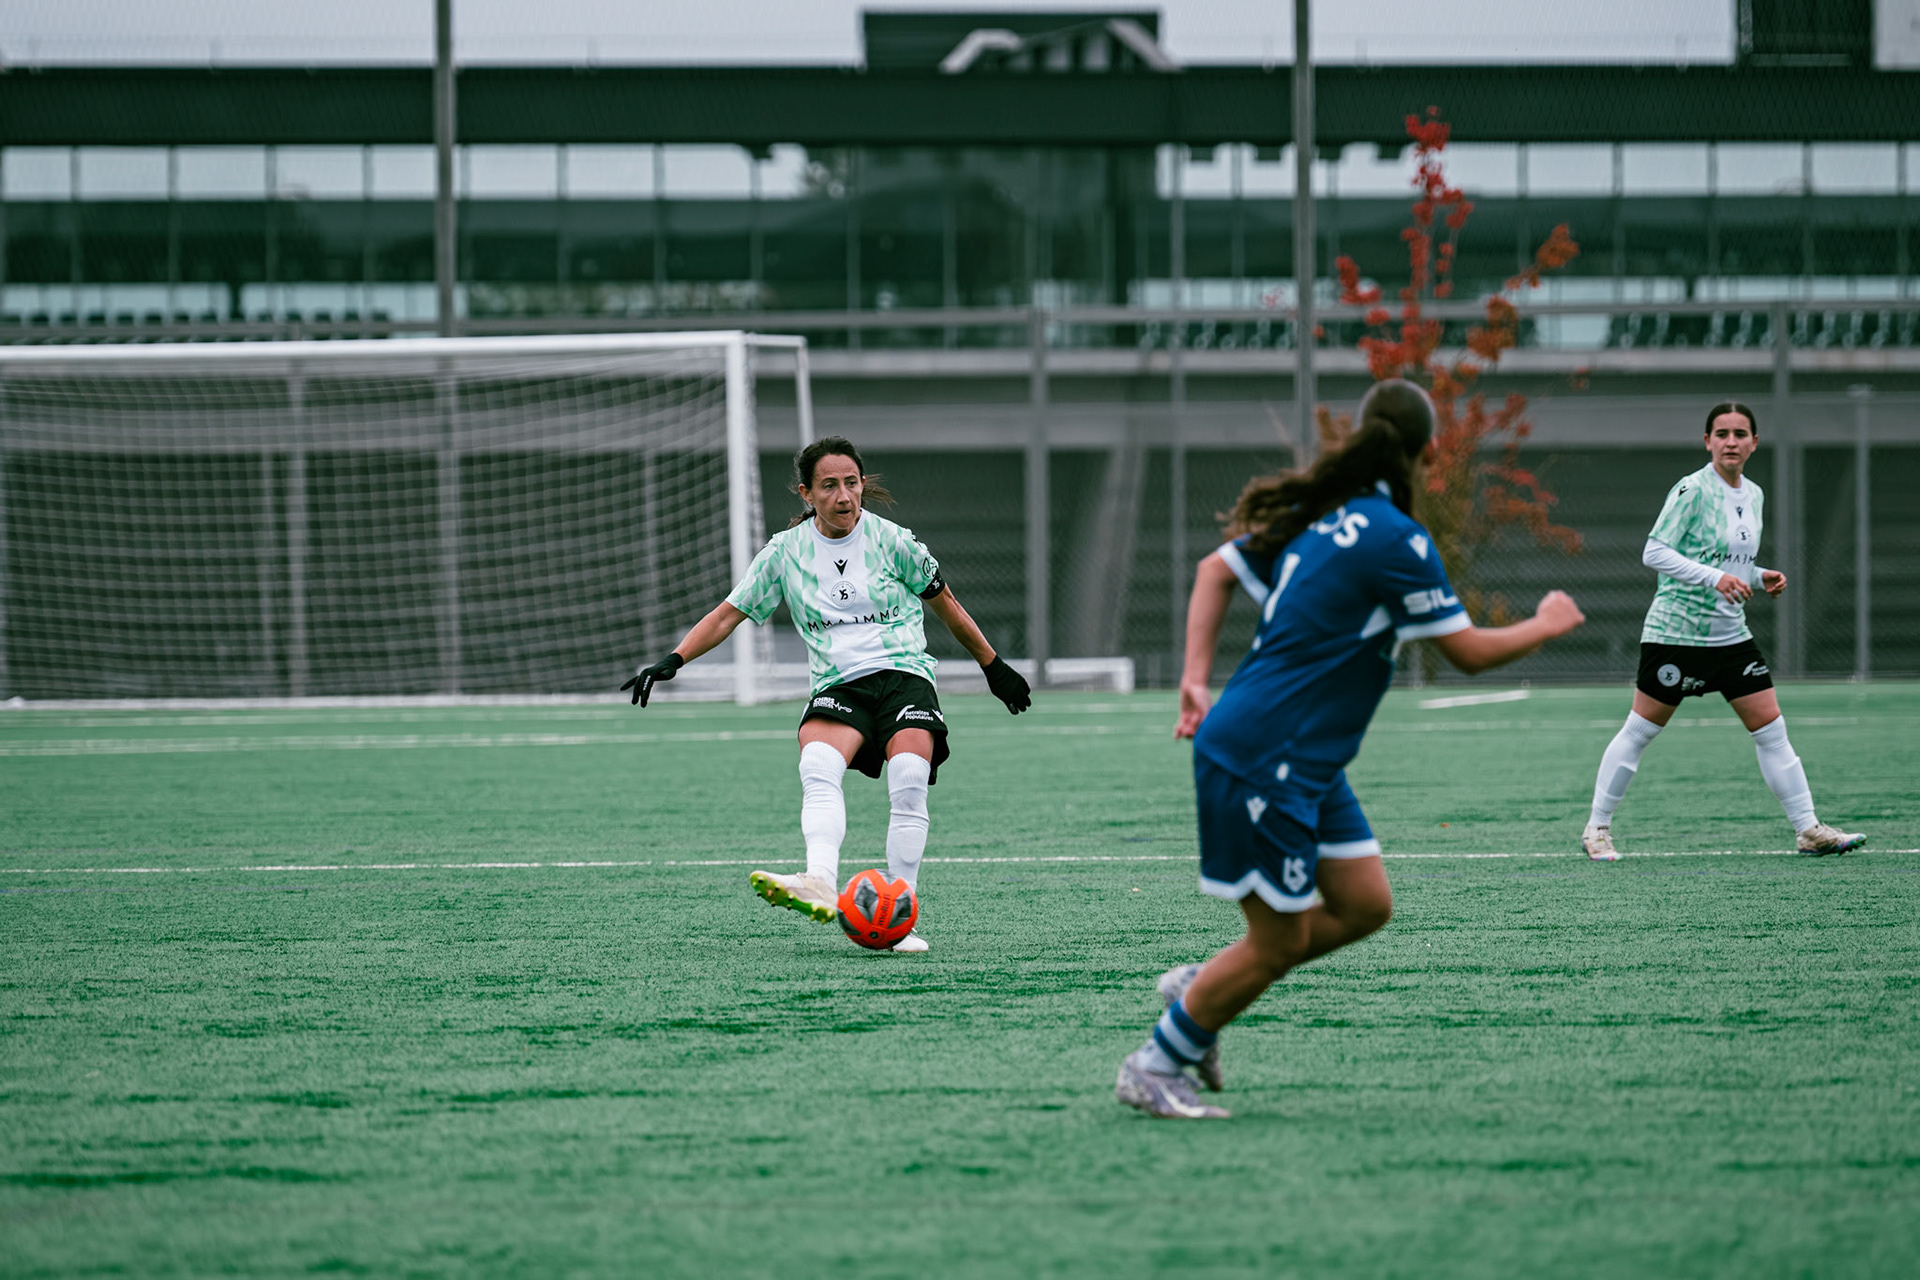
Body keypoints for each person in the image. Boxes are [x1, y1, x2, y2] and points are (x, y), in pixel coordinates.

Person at [1115, 379, 1586, 1119]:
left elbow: (1213, 571)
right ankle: (1157, 1061)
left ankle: (1205, 984)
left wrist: (1194, 683)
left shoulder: (1324, 517)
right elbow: (1466, 652)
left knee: (1365, 903)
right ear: (1428, 453)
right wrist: (1546, 623)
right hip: (1266, 750)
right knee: (1278, 941)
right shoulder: (1396, 537)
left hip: (1296, 754)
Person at [623, 435, 1032, 952]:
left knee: (909, 776)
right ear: (807, 494)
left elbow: (946, 603)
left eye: (852, 483)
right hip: (838, 683)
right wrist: (674, 659)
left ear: (863, 485)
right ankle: (819, 878)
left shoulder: (895, 542)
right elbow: (730, 613)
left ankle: (898, 909)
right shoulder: (785, 554)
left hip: (903, 672)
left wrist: (993, 667)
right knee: (817, 762)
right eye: (830, 486)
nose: (844, 496)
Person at [1579, 403, 1864, 862]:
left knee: (1772, 731)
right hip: (1676, 634)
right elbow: (1654, 552)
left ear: (1754, 443)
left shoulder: (1753, 494)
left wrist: (1758, 575)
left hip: (1730, 636)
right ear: (1707, 441)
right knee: (1639, 731)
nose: (1731, 441)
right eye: (1721, 433)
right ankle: (1597, 829)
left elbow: (1731, 563)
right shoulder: (1692, 490)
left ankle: (1808, 828)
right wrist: (1716, 579)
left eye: (1740, 433)